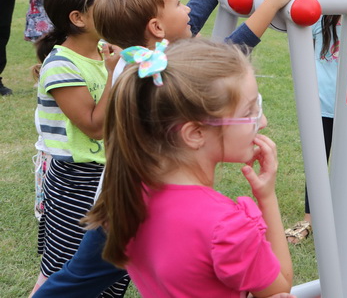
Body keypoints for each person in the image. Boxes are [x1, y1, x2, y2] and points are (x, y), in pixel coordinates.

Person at [32, 0, 306, 298]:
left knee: (94, 278)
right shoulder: (151, 70)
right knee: (77, 280)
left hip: (137, 189)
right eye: (178, 3)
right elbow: (229, 54)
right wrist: (272, 2)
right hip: (127, 194)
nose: (188, 8)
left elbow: (201, 20)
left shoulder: (147, 64)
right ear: (156, 27)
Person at [84, 38, 293, 297]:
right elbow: (280, 286)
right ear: (195, 133)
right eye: (251, 110)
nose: (263, 121)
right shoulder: (227, 227)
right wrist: (267, 197)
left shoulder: (131, 192)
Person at [29, 0, 129, 298]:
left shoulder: (105, 50)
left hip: (110, 172)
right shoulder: (61, 64)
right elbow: (95, 126)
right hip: (77, 178)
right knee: (70, 267)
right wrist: (116, 74)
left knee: (113, 263)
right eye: (107, 1)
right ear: (79, 18)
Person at [284, 0, 345, 245]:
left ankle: (346, 216)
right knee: (318, 164)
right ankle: (309, 220)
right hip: (322, 106)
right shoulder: (317, 21)